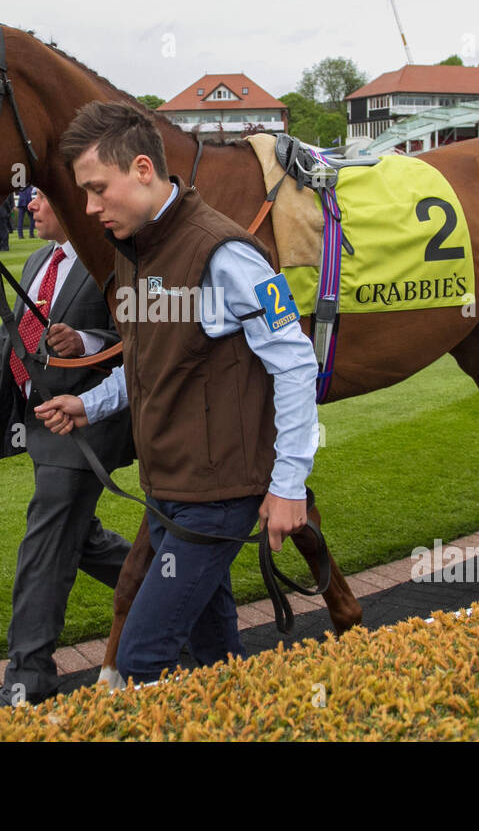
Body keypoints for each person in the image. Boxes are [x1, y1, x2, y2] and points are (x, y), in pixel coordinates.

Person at [36, 101, 318, 687]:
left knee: (141, 660)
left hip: (215, 495)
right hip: (170, 490)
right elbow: (154, 364)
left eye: (96, 189)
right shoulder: (137, 249)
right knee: (215, 661)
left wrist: (289, 485)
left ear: (142, 169)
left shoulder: (226, 252)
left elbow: (294, 362)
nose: (88, 208)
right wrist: (90, 404)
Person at [0, 188, 133, 711]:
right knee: (78, 541)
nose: (29, 207)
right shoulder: (39, 259)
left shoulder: (110, 259)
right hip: (40, 424)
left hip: (87, 426)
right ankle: (181, 592)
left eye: (39, 197)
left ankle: (27, 680)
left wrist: (84, 342)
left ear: (68, 201)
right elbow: (7, 339)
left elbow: (136, 337)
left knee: (46, 542)